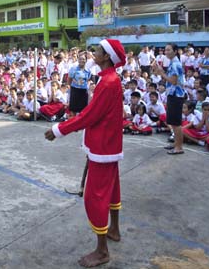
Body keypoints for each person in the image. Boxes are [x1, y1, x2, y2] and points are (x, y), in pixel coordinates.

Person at [44, 39, 125, 268]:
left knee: (95, 197)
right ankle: (115, 230)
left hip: (102, 146)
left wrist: (58, 130)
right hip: (109, 145)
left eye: (98, 51)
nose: (93, 53)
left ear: (106, 57)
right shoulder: (109, 79)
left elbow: (89, 116)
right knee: (112, 189)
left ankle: (102, 251)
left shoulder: (108, 82)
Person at [152, 43, 186, 155]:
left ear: (175, 51)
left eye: (168, 50)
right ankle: (176, 143)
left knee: (176, 123)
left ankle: (179, 147)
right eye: (165, 50)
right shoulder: (173, 63)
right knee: (172, 121)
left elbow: (173, 81)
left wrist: (162, 73)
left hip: (176, 95)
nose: (166, 52)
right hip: (173, 94)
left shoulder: (175, 64)